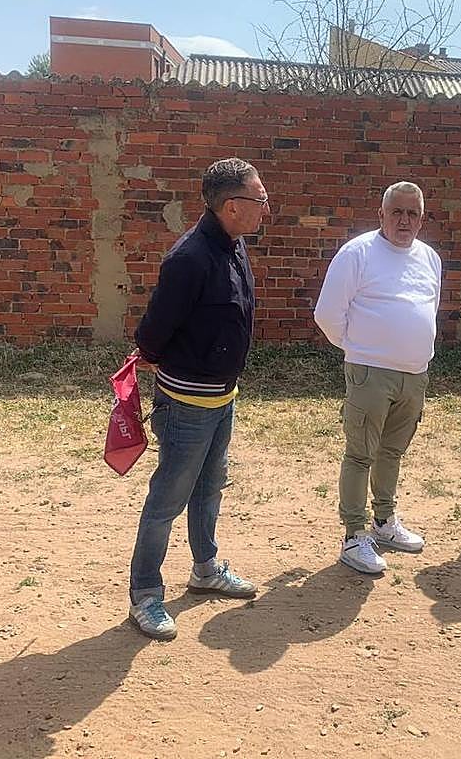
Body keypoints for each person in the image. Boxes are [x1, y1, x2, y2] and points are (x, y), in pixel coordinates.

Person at [128, 157, 268, 640]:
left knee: (210, 488)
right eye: (259, 199)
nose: (265, 208)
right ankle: (145, 594)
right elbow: (154, 329)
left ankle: (205, 569)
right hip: (186, 404)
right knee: (168, 498)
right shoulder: (189, 258)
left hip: (221, 398)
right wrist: (151, 354)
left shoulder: (233, 245)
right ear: (232, 206)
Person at [314, 181, 442, 574]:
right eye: (397, 212)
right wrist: (361, 350)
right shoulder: (358, 253)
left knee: (392, 452)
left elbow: (430, 307)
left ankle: (384, 522)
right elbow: (327, 314)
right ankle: (354, 535)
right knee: (360, 454)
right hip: (370, 373)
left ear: (421, 218)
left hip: (414, 375)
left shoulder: (430, 258)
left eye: (413, 213)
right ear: (382, 214)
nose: (405, 220)